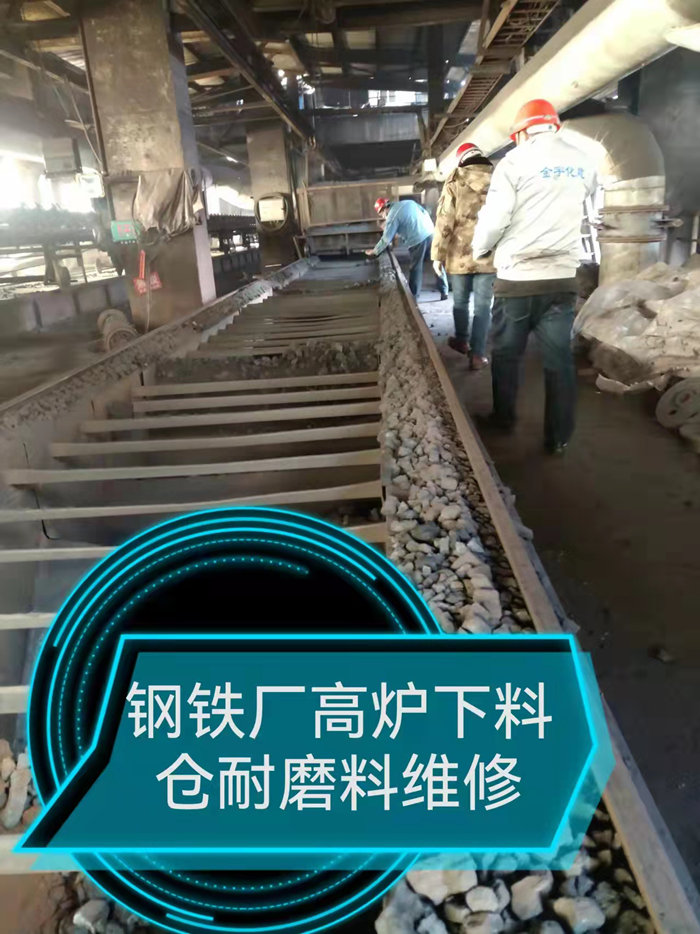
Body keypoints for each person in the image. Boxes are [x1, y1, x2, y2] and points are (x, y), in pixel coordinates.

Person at [472, 99, 597, 455]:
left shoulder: (514, 162)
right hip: (562, 279)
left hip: (518, 279)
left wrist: (480, 249)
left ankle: (504, 419)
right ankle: (558, 438)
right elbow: (586, 205)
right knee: (559, 362)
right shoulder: (583, 161)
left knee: (507, 354)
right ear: (553, 126)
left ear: (522, 132)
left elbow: (495, 218)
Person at [431, 142, 496, 370]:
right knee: (483, 307)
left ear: (461, 160)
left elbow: (445, 221)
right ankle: (477, 355)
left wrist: (437, 254)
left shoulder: (455, 181)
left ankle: (461, 340)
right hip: (488, 255)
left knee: (460, 301)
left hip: (459, 255)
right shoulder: (499, 178)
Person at [366, 197, 448, 300]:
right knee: (436, 262)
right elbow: (424, 212)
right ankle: (444, 291)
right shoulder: (408, 202)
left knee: (416, 267)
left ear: (384, 208)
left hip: (417, 240)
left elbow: (386, 238)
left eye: (381, 214)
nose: (383, 216)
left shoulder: (392, 216)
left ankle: (414, 296)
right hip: (431, 233)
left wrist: (375, 251)